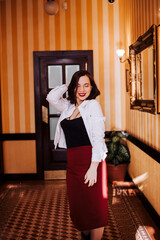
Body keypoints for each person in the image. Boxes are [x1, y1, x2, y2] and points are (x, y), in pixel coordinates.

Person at [46, 70, 108, 240]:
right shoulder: (68, 106)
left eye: (86, 85)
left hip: (91, 161)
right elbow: (51, 97)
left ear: (91, 87)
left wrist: (93, 168)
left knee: (95, 206)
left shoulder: (93, 105)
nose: (82, 89)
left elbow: (98, 139)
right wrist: (68, 85)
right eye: (78, 85)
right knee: (79, 206)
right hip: (73, 163)